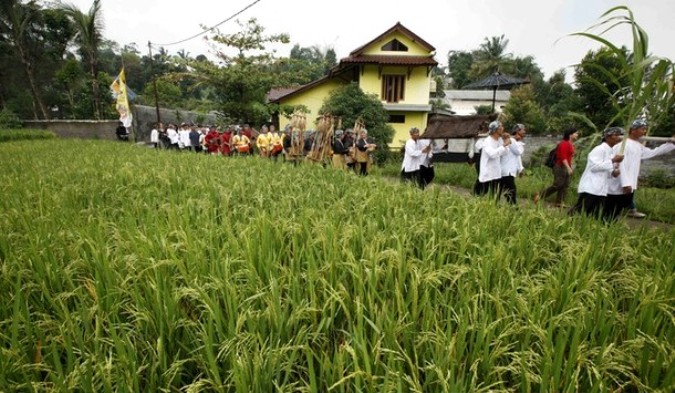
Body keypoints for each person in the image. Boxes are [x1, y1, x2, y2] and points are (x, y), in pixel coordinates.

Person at [606, 118, 675, 219]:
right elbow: (621, 165)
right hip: (620, 183)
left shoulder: (637, 145)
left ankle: (610, 223)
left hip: (630, 182)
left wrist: (670, 145)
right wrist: (626, 183)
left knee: (619, 207)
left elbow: (652, 152)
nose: (645, 131)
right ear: (633, 130)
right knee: (612, 207)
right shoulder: (623, 145)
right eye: (642, 129)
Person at [568, 127, 624, 219]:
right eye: (616, 135)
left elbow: (605, 169)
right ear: (607, 137)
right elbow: (594, 167)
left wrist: (613, 173)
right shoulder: (599, 149)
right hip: (591, 187)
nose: (618, 137)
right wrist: (613, 160)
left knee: (595, 212)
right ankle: (567, 223)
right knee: (581, 210)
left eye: (619, 135)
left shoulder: (610, 151)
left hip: (601, 189)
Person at [534, 127, 579, 207]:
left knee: (565, 185)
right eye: (576, 133)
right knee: (558, 184)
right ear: (570, 134)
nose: (577, 135)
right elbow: (563, 157)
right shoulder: (564, 143)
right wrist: (568, 168)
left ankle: (559, 202)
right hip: (560, 166)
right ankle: (540, 195)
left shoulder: (570, 144)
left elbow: (570, 157)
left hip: (566, 166)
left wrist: (570, 167)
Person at [476, 120, 510, 198]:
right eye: (501, 126)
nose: (503, 128)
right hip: (487, 172)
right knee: (483, 193)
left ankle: (493, 207)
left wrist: (505, 141)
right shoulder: (487, 141)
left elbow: (505, 152)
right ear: (496, 129)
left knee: (495, 194)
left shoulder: (500, 140)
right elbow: (492, 154)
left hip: (496, 172)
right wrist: (504, 145)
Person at [499, 123, 526, 204]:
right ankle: (514, 209)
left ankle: (495, 205)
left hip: (508, 172)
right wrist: (510, 140)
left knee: (503, 191)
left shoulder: (517, 143)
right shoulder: (510, 140)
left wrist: (520, 169)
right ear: (517, 131)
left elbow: (517, 156)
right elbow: (517, 152)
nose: (524, 132)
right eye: (523, 130)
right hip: (506, 171)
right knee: (511, 191)